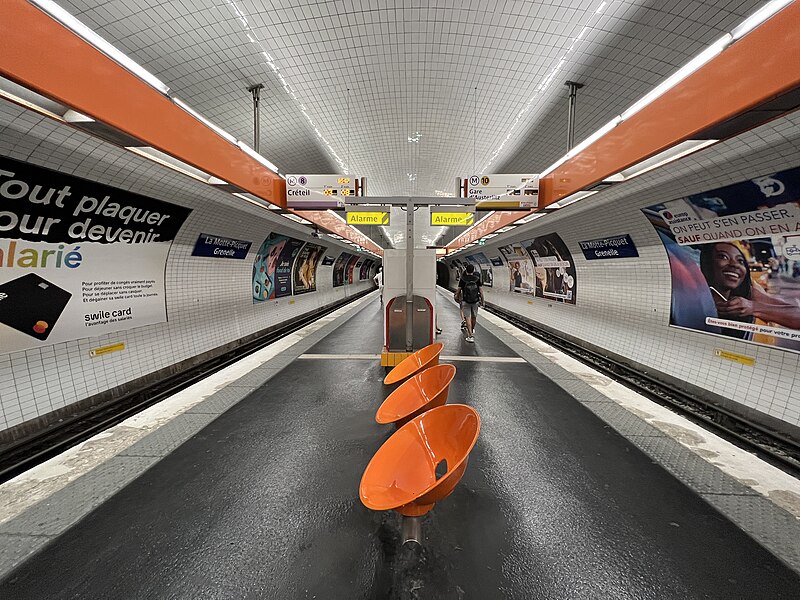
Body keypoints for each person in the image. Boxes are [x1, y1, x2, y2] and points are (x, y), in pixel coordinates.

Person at [700, 242, 800, 337]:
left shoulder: (746, 290)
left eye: (740, 261)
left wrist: (752, 307)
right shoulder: (693, 291)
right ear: (706, 263)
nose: (735, 265)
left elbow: (797, 314)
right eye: (723, 257)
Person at [455, 263, 484, 343]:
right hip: (475, 301)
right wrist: (482, 301)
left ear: (466, 270)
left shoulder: (463, 279)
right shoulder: (477, 279)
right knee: (474, 317)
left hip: (465, 301)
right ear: (473, 270)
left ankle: (470, 336)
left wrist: (457, 297)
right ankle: (472, 329)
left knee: (467, 317)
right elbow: (481, 291)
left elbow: (458, 290)